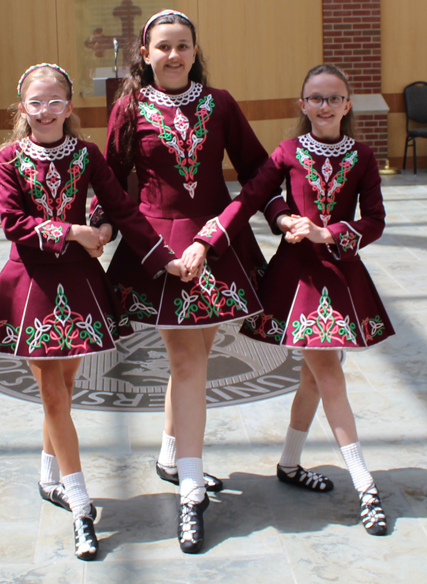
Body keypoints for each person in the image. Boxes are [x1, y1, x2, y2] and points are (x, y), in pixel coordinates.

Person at [0, 63, 188, 561]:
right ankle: (82, 505)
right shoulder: (8, 158)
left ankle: (49, 474)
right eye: (36, 103)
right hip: (35, 287)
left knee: (63, 391)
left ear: (70, 106)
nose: (46, 112)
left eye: (56, 102)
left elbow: (118, 207)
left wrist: (122, 239)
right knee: (54, 399)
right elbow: (13, 223)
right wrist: (72, 233)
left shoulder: (87, 154)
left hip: (81, 285)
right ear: (22, 107)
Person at [96, 10, 279, 553]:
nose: (173, 56)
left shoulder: (220, 103)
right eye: (163, 47)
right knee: (188, 362)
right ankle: (193, 492)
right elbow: (109, 178)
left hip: (218, 244)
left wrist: (279, 217)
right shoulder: (128, 107)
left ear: (196, 51)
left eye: (183, 46)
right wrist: (95, 228)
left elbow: (259, 170)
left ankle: (171, 457)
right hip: (159, 250)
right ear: (145, 54)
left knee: (196, 356)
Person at [187, 64, 394, 536]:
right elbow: (255, 196)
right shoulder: (288, 151)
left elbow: (376, 220)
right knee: (327, 371)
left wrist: (331, 232)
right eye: (315, 98)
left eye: (333, 98)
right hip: (298, 278)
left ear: (347, 105)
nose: (324, 106)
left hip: (339, 273)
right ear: (302, 105)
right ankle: (365, 484)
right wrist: (225, 236)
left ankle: (289, 463)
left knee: (315, 376)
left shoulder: (362, 155)